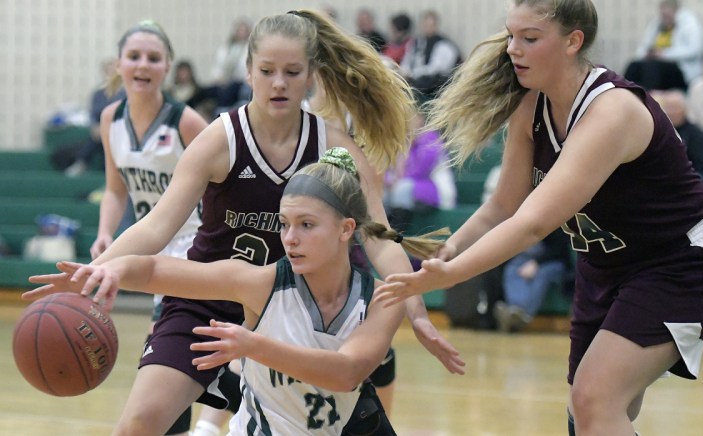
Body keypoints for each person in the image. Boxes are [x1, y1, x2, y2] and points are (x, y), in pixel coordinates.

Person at [23, 10, 464, 436]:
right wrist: (95, 272)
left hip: (291, 311)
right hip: (210, 298)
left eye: (292, 72)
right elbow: (157, 226)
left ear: (311, 75)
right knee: (137, 425)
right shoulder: (220, 138)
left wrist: (418, 312)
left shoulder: (333, 145)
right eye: (267, 70)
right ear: (248, 70)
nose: (278, 83)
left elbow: (378, 237)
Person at [375, 1, 703, 435]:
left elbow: (532, 222)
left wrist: (449, 275)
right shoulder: (531, 107)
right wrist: (450, 248)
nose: (513, 49)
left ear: (573, 41)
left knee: (594, 400)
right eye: (511, 36)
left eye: (530, 38)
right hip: (606, 267)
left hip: (679, 263)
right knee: (586, 414)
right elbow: (502, 206)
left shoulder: (611, 111)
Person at [27, 148, 450, 435]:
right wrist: (105, 271)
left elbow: (345, 372)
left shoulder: (381, 298)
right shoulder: (260, 281)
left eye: (306, 225)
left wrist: (253, 345)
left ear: (346, 230)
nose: (291, 238)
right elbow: (157, 268)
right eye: (284, 224)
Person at [86, 21, 210, 436]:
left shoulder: (187, 122)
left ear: (168, 67)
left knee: (166, 356)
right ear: (118, 64)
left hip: (196, 248)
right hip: (152, 244)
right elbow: (115, 189)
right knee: (181, 360)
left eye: (153, 58)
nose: (143, 65)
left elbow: (226, 182)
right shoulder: (111, 119)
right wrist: (106, 232)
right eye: (134, 56)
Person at [384, 107, 456, 233]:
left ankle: (398, 231)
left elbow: (420, 170)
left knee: (402, 187)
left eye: (412, 119)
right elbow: (390, 171)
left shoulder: (430, 139)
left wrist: (397, 180)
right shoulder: (406, 142)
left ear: (420, 120)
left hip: (434, 190)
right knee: (383, 191)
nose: (408, 123)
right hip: (412, 189)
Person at [494, 227, 570, 333]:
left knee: (542, 274)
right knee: (512, 268)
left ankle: (523, 313)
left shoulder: (555, 222)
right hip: (528, 260)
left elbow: (558, 250)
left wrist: (536, 263)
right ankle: (515, 310)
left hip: (554, 262)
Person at [64, 58, 125, 177]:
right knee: (97, 136)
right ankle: (81, 163)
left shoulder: (126, 92)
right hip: (101, 130)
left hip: (119, 129)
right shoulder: (98, 94)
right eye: (109, 71)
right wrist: (95, 126)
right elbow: (93, 113)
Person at [625, 0, 703, 90]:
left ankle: (650, 100)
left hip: (679, 69)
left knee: (653, 67)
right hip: (657, 64)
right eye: (663, 15)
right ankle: (626, 95)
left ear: (676, 11)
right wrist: (647, 54)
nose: (665, 18)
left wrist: (664, 54)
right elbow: (643, 47)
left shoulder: (689, 23)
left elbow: (694, 50)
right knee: (634, 66)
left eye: (668, 15)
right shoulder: (657, 24)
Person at [400, 10, 462, 103]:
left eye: (431, 25)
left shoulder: (445, 45)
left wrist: (414, 73)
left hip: (434, 87)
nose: (428, 28)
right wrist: (404, 72)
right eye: (425, 25)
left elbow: (436, 69)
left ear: (436, 25)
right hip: (414, 83)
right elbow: (408, 60)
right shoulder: (416, 42)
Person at [651, 89, 703, 178]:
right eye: (669, 108)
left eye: (675, 108)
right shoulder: (659, 131)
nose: (671, 112)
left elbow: (702, 164)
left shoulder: (696, 134)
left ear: (685, 110)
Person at [209, 18, 252, 112]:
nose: (241, 33)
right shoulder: (226, 48)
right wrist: (220, 79)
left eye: (244, 31)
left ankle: (223, 112)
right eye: (239, 31)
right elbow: (218, 67)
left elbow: (245, 69)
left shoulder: (250, 48)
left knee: (235, 89)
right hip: (224, 82)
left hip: (241, 82)